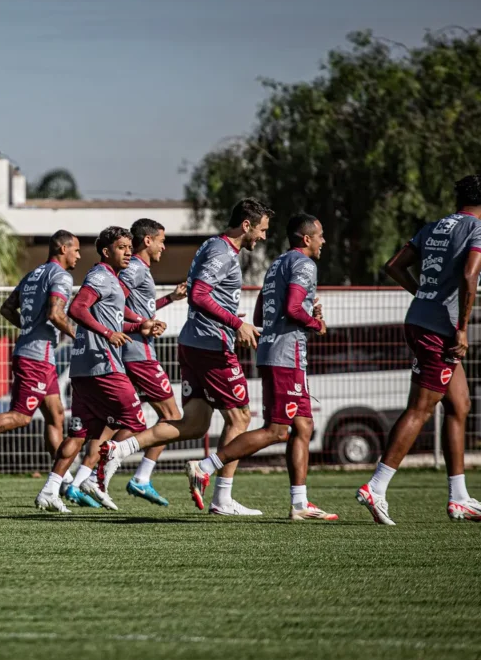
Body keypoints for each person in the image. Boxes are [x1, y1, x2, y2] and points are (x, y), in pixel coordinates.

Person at [97, 199, 272, 516]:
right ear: (246, 225)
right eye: (261, 230)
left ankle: (120, 449)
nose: (262, 237)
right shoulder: (221, 251)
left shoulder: (214, 247)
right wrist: (236, 323)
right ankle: (222, 497)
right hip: (210, 346)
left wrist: (232, 317)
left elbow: (204, 295)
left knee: (194, 423)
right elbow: (200, 294)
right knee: (240, 418)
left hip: (195, 342)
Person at [357, 175, 481, 525]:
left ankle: (459, 498)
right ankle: (376, 486)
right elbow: (470, 275)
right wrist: (463, 329)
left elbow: (394, 265)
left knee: (459, 403)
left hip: (422, 321)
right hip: (443, 331)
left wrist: (423, 294)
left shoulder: (434, 227)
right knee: (421, 408)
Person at [184, 214, 337, 520]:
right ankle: (205, 467)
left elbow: (260, 313)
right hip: (286, 356)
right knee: (277, 431)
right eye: (320, 235)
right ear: (306, 239)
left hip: (277, 353)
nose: (324, 241)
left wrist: (306, 311)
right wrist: (315, 322)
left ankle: (299, 505)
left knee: (303, 426)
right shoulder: (305, 264)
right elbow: (293, 308)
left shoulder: (278, 263)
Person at [35, 226, 163, 513]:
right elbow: (76, 309)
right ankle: (95, 477)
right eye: (121, 247)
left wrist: (138, 326)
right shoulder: (101, 276)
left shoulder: (113, 281)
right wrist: (107, 334)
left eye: (130, 246)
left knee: (81, 434)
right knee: (137, 423)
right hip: (102, 364)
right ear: (106, 252)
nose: (128, 251)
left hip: (84, 367)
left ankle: (50, 489)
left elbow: (114, 322)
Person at [0, 230, 81, 484]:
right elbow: (55, 314)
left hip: (39, 355)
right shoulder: (61, 276)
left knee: (56, 415)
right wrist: (78, 336)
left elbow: (6, 308)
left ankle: (63, 482)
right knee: (21, 416)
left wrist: (29, 327)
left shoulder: (33, 275)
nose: (78, 255)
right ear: (63, 249)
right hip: (36, 358)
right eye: (75, 250)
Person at [102, 218, 186, 506]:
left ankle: (89, 475)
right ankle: (140, 477)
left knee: (129, 423)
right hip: (139, 355)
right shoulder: (135, 268)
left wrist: (169, 300)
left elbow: (140, 308)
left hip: (135, 353)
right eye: (162, 240)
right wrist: (141, 322)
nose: (164, 246)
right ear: (148, 241)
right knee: (173, 418)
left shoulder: (140, 270)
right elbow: (115, 302)